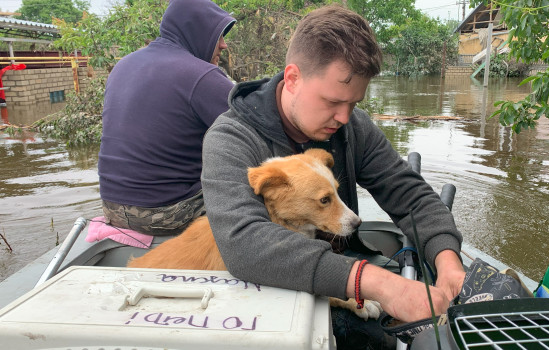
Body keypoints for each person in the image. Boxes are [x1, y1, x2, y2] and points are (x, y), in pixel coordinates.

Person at [201, 4, 465, 348]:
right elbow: (244, 244)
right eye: (332, 101)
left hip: (341, 264)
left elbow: (410, 196)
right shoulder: (230, 140)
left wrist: (448, 262)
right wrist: (379, 283)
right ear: (293, 78)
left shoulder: (352, 126)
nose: (343, 117)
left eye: (354, 103)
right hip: (261, 284)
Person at [98, 0, 236, 236]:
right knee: (266, 187)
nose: (223, 45)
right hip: (166, 212)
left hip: (111, 208)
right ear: (197, 32)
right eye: (218, 36)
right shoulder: (202, 75)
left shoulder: (124, 64)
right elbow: (254, 129)